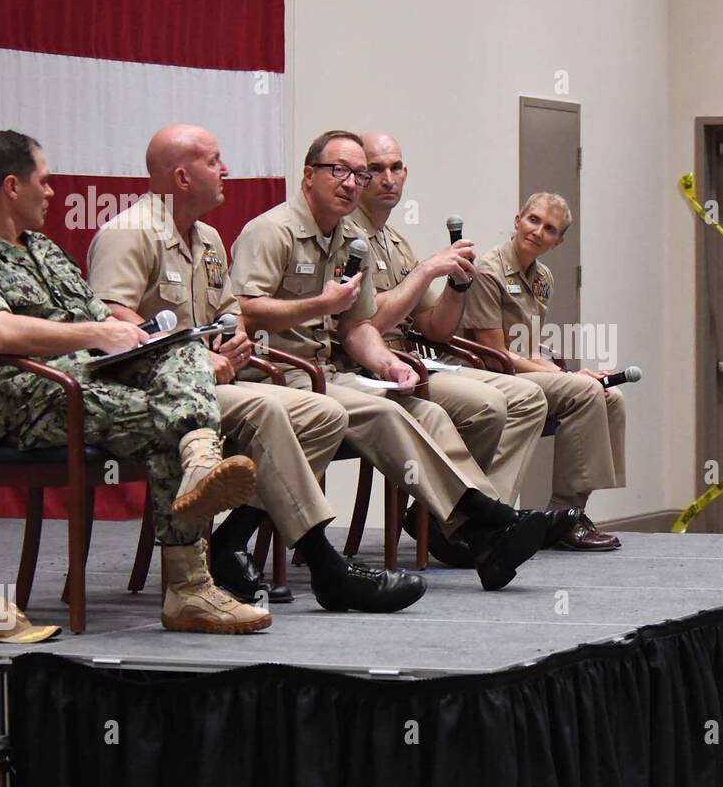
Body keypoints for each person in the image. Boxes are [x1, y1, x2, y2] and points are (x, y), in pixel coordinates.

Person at [0, 131, 267, 634]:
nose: (51, 191)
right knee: (166, 427)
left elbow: (102, 322)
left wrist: (144, 338)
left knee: (179, 352)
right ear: (11, 187)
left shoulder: (42, 248)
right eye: (43, 182)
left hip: (87, 382)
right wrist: (98, 333)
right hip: (29, 401)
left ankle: (199, 466)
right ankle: (189, 588)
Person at [87, 124, 423, 614]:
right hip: (155, 391)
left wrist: (232, 336)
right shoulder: (130, 233)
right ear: (182, 177)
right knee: (271, 410)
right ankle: (326, 565)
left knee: (323, 413)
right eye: (214, 161)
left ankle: (230, 543)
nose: (226, 170)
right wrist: (201, 356)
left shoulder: (206, 238)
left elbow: (229, 312)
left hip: (209, 380)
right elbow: (113, 324)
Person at [229, 131, 576, 590]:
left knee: (426, 411)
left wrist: (388, 365)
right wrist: (321, 306)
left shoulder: (350, 238)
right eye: (340, 171)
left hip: (328, 372)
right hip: (275, 374)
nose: (352, 183)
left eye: (360, 174)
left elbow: (358, 327)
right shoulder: (271, 230)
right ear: (309, 175)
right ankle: (490, 521)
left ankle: (485, 534)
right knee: (387, 412)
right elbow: (244, 308)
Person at [347, 130, 551, 564]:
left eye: (395, 168)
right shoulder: (349, 236)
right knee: (488, 405)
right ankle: (482, 523)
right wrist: (424, 272)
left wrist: (457, 286)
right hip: (370, 368)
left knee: (529, 397)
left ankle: (463, 520)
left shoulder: (395, 241)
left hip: (416, 359)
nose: (388, 179)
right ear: (359, 176)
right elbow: (364, 324)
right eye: (376, 170)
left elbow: (434, 328)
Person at [463, 192, 625, 550]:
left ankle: (568, 513)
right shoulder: (488, 270)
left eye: (549, 229)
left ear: (558, 242)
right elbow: (493, 352)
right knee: (583, 392)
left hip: (521, 371)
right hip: (486, 375)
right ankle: (562, 522)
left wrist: (567, 371)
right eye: (533, 220)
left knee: (610, 395)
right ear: (517, 219)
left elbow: (528, 344)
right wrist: (564, 379)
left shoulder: (543, 277)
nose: (537, 232)